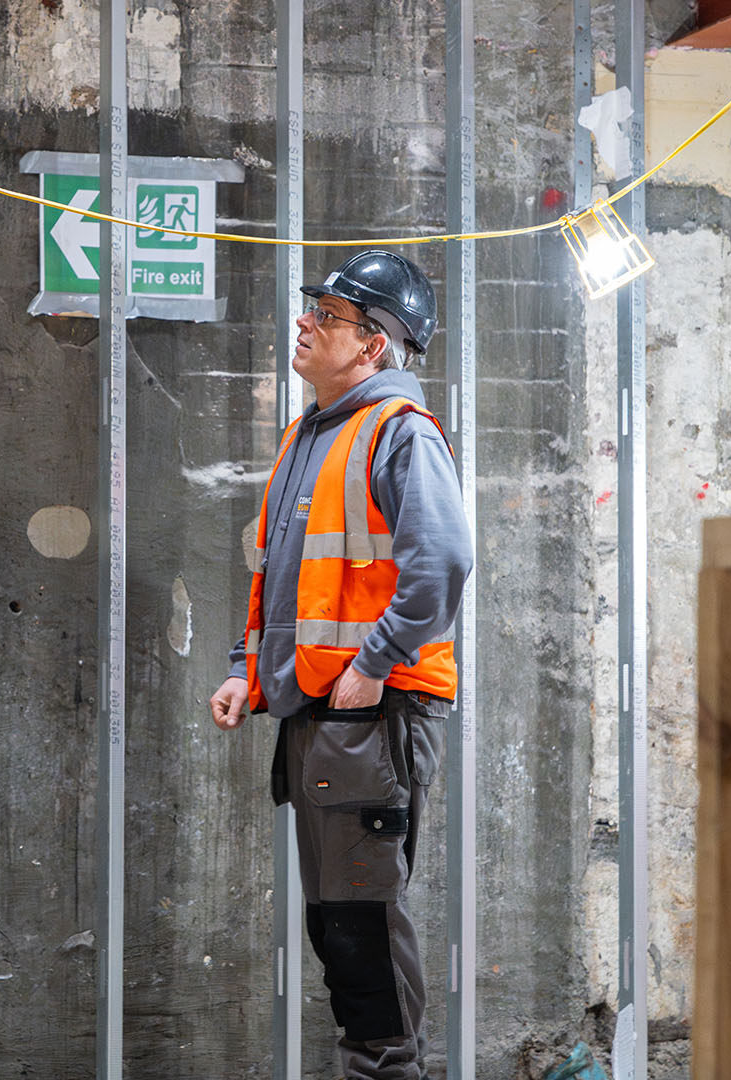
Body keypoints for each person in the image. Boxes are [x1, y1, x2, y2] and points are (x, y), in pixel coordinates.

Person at [209, 250, 473, 1080]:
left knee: (361, 924)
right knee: (336, 924)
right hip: (320, 715)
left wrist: (375, 663)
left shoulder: (398, 431)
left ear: (374, 344)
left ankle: (390, 1073)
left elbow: (444, 562)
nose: (305, 322)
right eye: (313, 308)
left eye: (328, 315)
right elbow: (282, 581)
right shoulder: (309, 435)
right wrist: (247, 669)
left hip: (371, 715)